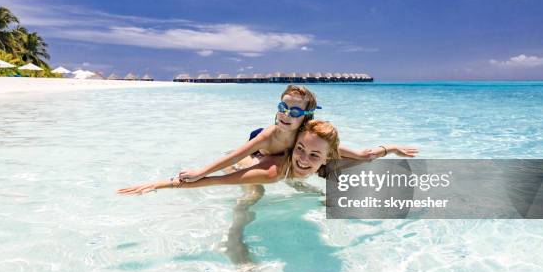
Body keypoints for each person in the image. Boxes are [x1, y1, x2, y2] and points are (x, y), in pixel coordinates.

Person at [178, 85, 418, 183]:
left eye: (294, 110)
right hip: (256, 153)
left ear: (306, 115)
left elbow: (361, 154)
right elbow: (235, 157)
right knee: (251, 194)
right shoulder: (269, 134)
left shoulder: (306, 135)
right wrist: (201, 172)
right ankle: (236, 242)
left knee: (351, 161)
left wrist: (391, 148)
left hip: (283, 157)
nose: (286, 114)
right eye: (282, 107)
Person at [117, 119, 341, 195]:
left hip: (262, 160)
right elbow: (213, 180)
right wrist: (158, 184)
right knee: (252, 196)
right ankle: (234, 243)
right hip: (238, 167)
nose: (303, 158)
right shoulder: (271, 173)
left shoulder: (329, 157)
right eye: (300, 148)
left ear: (326, 158)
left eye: (314, 155)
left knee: (298, 179)